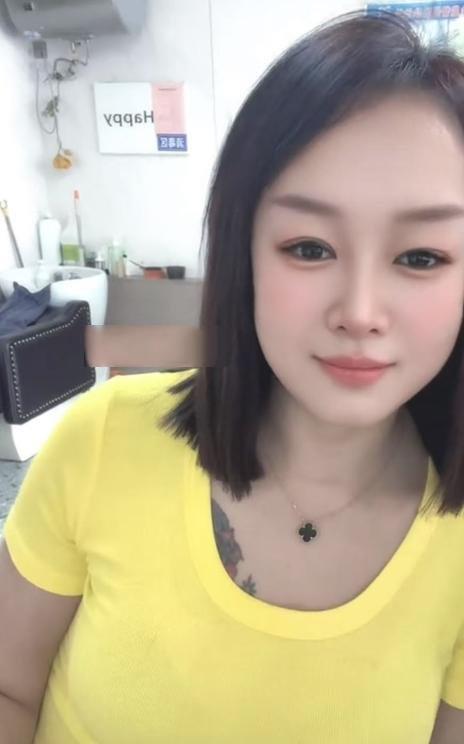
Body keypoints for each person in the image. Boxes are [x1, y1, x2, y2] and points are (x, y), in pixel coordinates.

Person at [1, 7, 464, 743]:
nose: (360, 312)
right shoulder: (103, 441)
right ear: (242, 254)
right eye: (309, 248)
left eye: (421, 257)